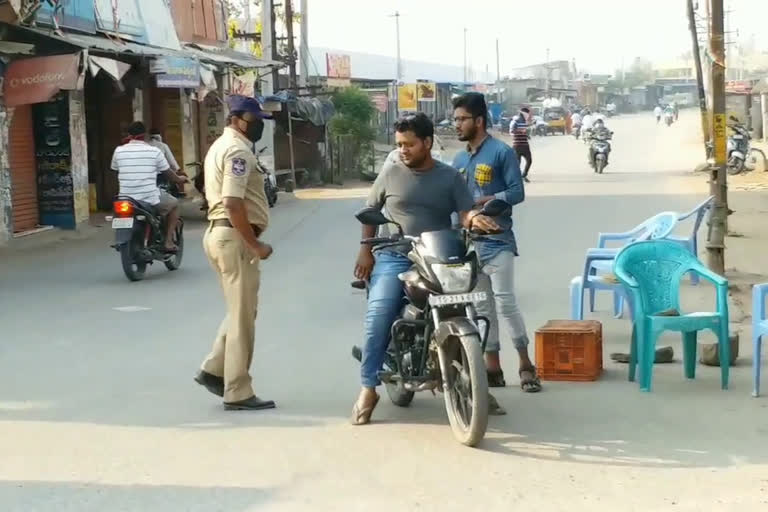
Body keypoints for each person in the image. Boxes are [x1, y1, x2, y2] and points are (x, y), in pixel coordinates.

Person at [351, 112, 501, 425]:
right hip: (396, 254)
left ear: (428, 143)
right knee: (379, 313)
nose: (402, 150)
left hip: (438, 255)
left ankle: (474, 379)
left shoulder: (450, 177)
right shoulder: (390, 173)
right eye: (399, 144)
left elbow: (464, 212)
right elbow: (370, 211)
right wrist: (366, 251)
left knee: (471, 304)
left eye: (409, 144)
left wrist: (474, 219)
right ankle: (368, 387)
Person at [452, 93, 542, 394]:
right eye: (455, 119)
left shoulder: (502, 153)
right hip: (468, 244)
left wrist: (487, 200)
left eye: (462, 119)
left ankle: (526, 365)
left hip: (498, 239)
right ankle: (493, 367)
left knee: (505, 302)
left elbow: (517, 192)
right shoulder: (459, 159)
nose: (457, 124)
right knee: (481, 308)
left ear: (479, 121)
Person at [194, 95, 276, 411]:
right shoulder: (237, 150)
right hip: (235, 237)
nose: (258, 126)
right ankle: (237, 391)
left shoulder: (219, 145)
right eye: (254, 120)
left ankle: (214, 369)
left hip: (220, 234)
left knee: (239, 310)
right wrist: (254, 244)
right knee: (243, 316)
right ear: (238, 118)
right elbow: (232, 201)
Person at [110, 121, 186, 252]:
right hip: (148, 197)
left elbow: (115, 169)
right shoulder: (154, 151)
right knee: (174, 204)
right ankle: (168, 242)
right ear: (145, 135)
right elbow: (168, 173)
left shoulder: (119, 151)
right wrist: (179, 179)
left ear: (129, 135)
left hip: (125, 197)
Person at [148, 128, 185, 196]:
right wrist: (178, 169)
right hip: (162, 175)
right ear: (160, 136)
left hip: (148, 176)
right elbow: (171, 160)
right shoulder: (163, 145)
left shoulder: (146, 146)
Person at [509, 107, 533, 183]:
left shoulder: (524, 122)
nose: (528, 116)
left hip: (525, 145)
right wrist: (521, 131)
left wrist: (526, 135)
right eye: (527, 114)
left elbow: (523, 131)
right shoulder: (515, 121)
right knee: (517, 163)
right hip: (517, 145)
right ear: (524, 114)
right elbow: (512, 131)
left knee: (529, 161)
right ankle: (516, 178)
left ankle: (524, 175)